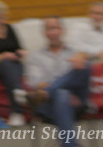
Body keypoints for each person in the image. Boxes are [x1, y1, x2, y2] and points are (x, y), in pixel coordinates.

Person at [20, 16, 92, 147]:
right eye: (49, 29)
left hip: (76, 102)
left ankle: (49, 92)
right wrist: (62, 91)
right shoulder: (36, 56)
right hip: (48, 105)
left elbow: (83, 74)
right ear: (44, 33)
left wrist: (83, 56)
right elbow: (37, 83)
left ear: (63, 30)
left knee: (85, 65)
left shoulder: (75, 52)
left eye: (55, 28)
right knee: (62, 94)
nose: (53, 32)